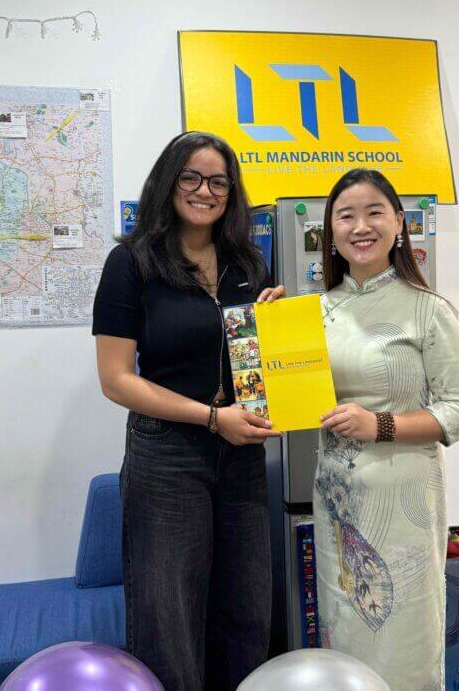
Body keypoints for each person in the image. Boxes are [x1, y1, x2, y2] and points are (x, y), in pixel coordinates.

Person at [92, 131, 284, 691]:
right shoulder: (132, 263)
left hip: (240, 457)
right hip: (167, 456)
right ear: (168, 182)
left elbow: (254, 366)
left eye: (219, 181)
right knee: (168, 619)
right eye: (192, 178)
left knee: (247, 612)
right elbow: (116, 379)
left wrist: (276, 327)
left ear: (232, 192)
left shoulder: (248, 263)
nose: (205, 191)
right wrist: (210, 417)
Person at [313, 169, 459, 691]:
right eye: (346, 215)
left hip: (403, 501)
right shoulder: (315, 312)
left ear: (399, 223)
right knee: (344, 631)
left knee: (404, 636)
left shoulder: (428, 310)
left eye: (374, 212)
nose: (360, 226)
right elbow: (277, 397)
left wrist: (379, 424)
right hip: (339, 504)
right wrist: (267, 329)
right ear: (331, 231)